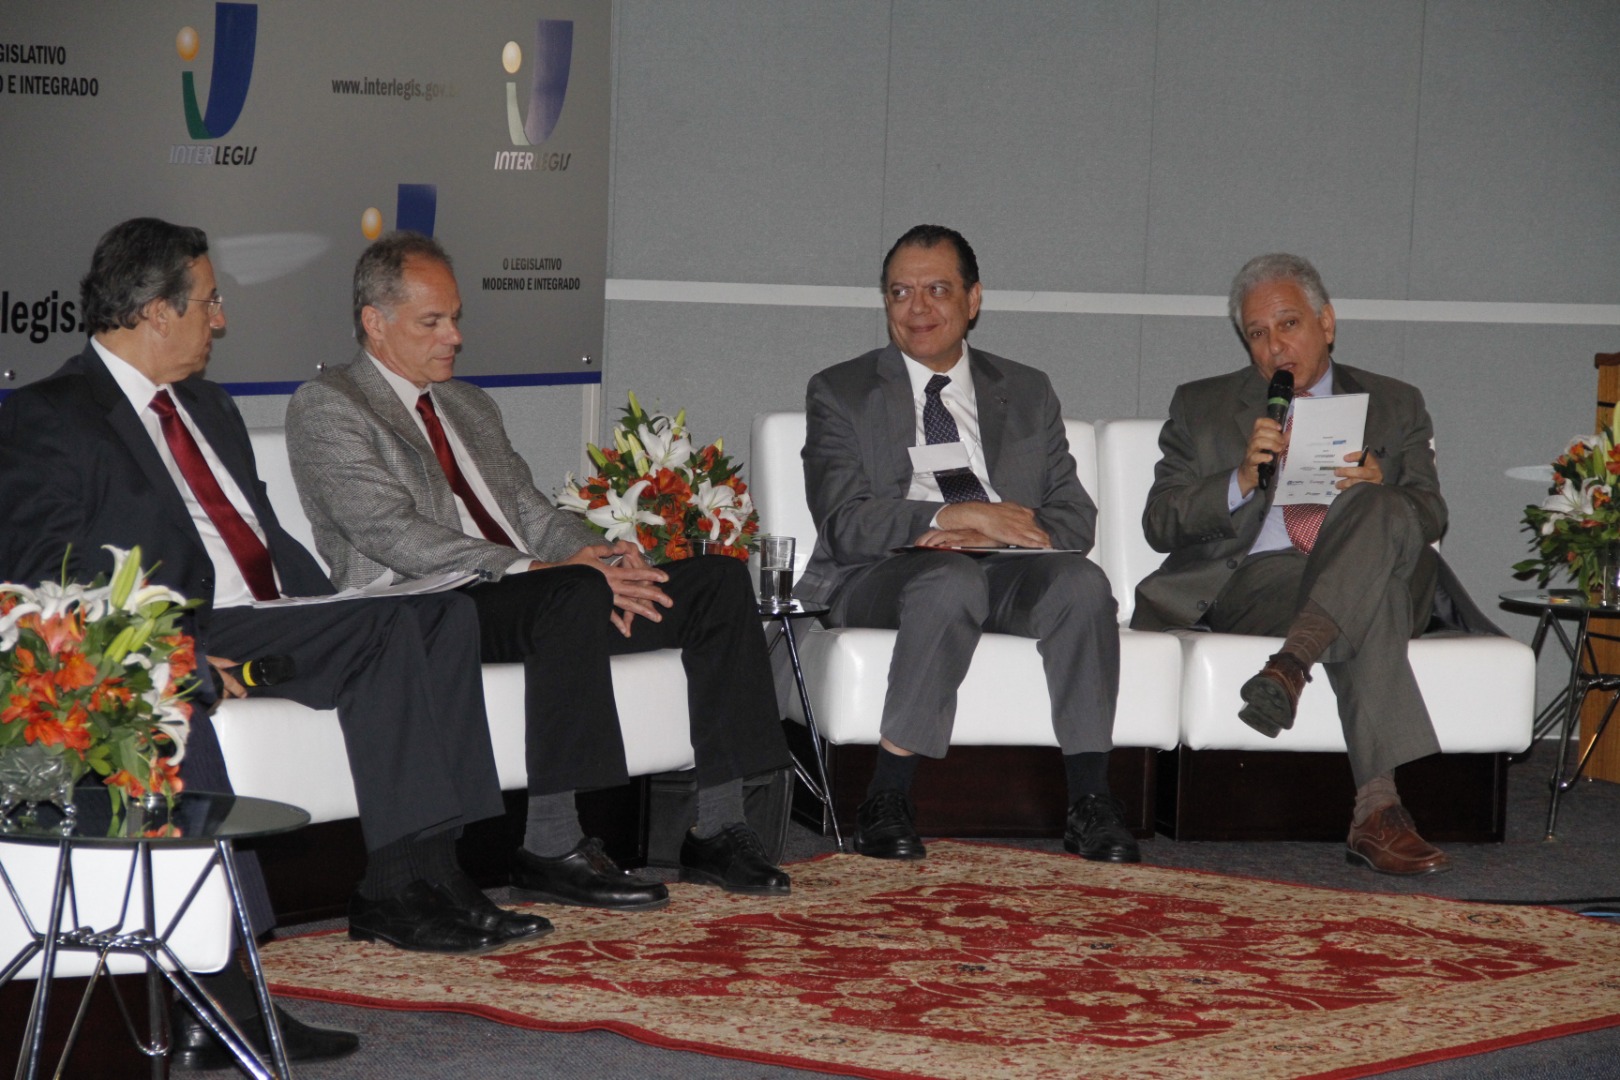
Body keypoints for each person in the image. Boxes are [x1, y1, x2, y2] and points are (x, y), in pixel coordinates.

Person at [0, 218, 547, 1069]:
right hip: (179, 625)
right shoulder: (48, 416)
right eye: (209, 302)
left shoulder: (209, 407)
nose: (220, 320)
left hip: (267, 611)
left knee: (440, 612)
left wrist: (334, 600)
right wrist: (165, 648)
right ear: (156, 310)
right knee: (383, 631)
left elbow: (259, 532)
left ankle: (421, 875)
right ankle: (232, 980)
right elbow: (42, 572)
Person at [283, 233, 794, 902]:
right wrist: (536, 571)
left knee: (716, 583)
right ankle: (551, 843)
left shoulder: (469, 405)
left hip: (540, 597)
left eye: (455, 317)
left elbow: (530, 510)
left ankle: (719, 828)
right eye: (432, 322)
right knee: (569, 593)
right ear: (374, 323)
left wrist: (601, 556)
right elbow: (390, 532)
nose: (455, 336)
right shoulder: (329, 404)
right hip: (427, 603)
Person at [1132, 252, 1501, 875]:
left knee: (1378, 509)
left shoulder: (1396, 403)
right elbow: (1159, 521)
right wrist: (1238, 479)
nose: (1275, 346)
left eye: (1289, 324)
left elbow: (1431, 513)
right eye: (1257, 333)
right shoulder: (1202, 404)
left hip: (1384, 564)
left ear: (1326, 323)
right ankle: (1377, 811)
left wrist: (1384, 490)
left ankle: (1291, 663)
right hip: (1265, 581)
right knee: (1373, 596)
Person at [798, 224, 1135, 864]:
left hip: (1005, 568)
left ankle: (1092, 800)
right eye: (900, 292)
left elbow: (1074, 516)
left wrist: (998, 532)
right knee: (948, 579)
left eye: (937, 290)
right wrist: (955, 515)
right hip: (884, 572)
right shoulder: (841, 391)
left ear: (973, 299)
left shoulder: (1027, 390)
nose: (917, 308)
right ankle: (886, 795)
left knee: (1081, 584)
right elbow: (844, 523)